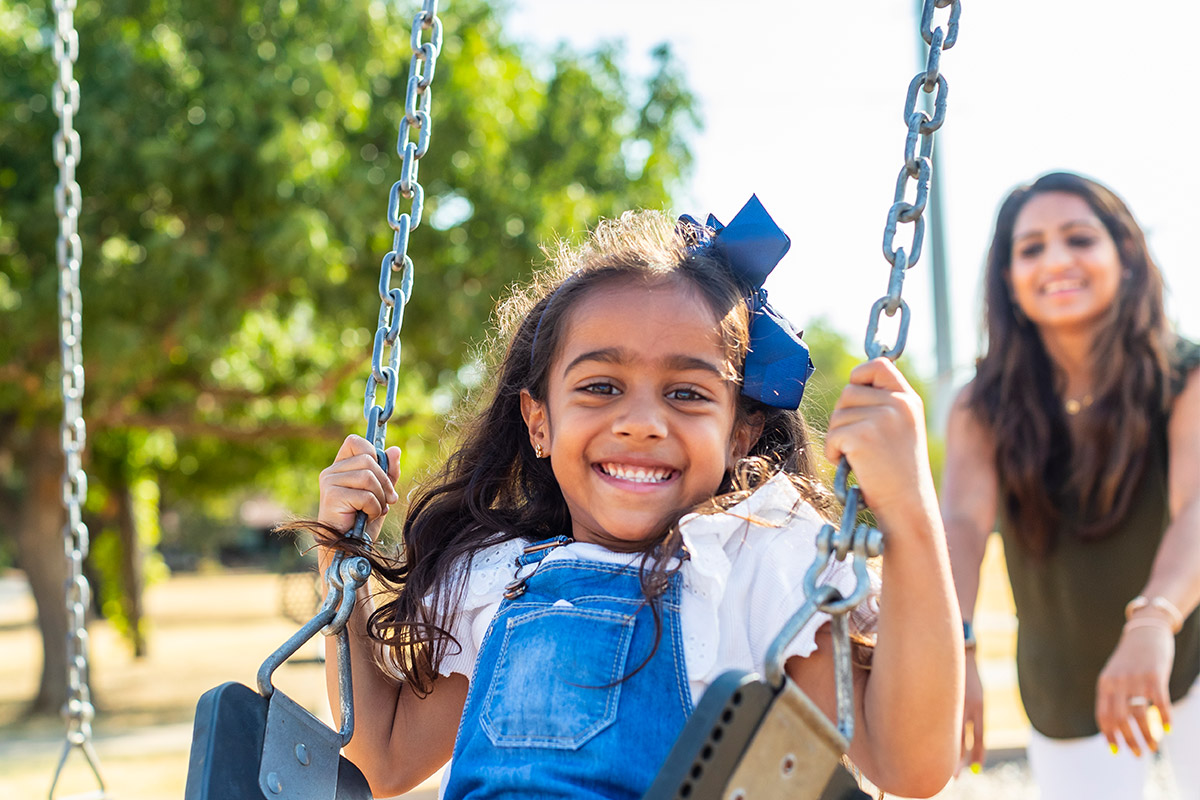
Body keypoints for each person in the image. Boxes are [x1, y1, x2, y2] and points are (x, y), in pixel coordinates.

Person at [306, 196, 962, 799]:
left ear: (740, 435)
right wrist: (340, 555)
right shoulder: (496, 577)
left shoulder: (755, 560)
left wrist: (907, 508)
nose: (641, 421)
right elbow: (383, 759)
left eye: (687, 393)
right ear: (540, 422)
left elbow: (909, 764)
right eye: (600, 387)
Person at [941, 172, 1200, 798]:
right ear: (1009, 278)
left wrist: (1152, 623)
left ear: (1125, 255)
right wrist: (957, 652)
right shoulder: (982, 406)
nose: (1055, 260)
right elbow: (962, 528)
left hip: (1187, 643)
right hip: (1062, 675)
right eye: (1030, 248)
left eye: (1079, 238)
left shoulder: (1184, 375)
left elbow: (1196, 504)